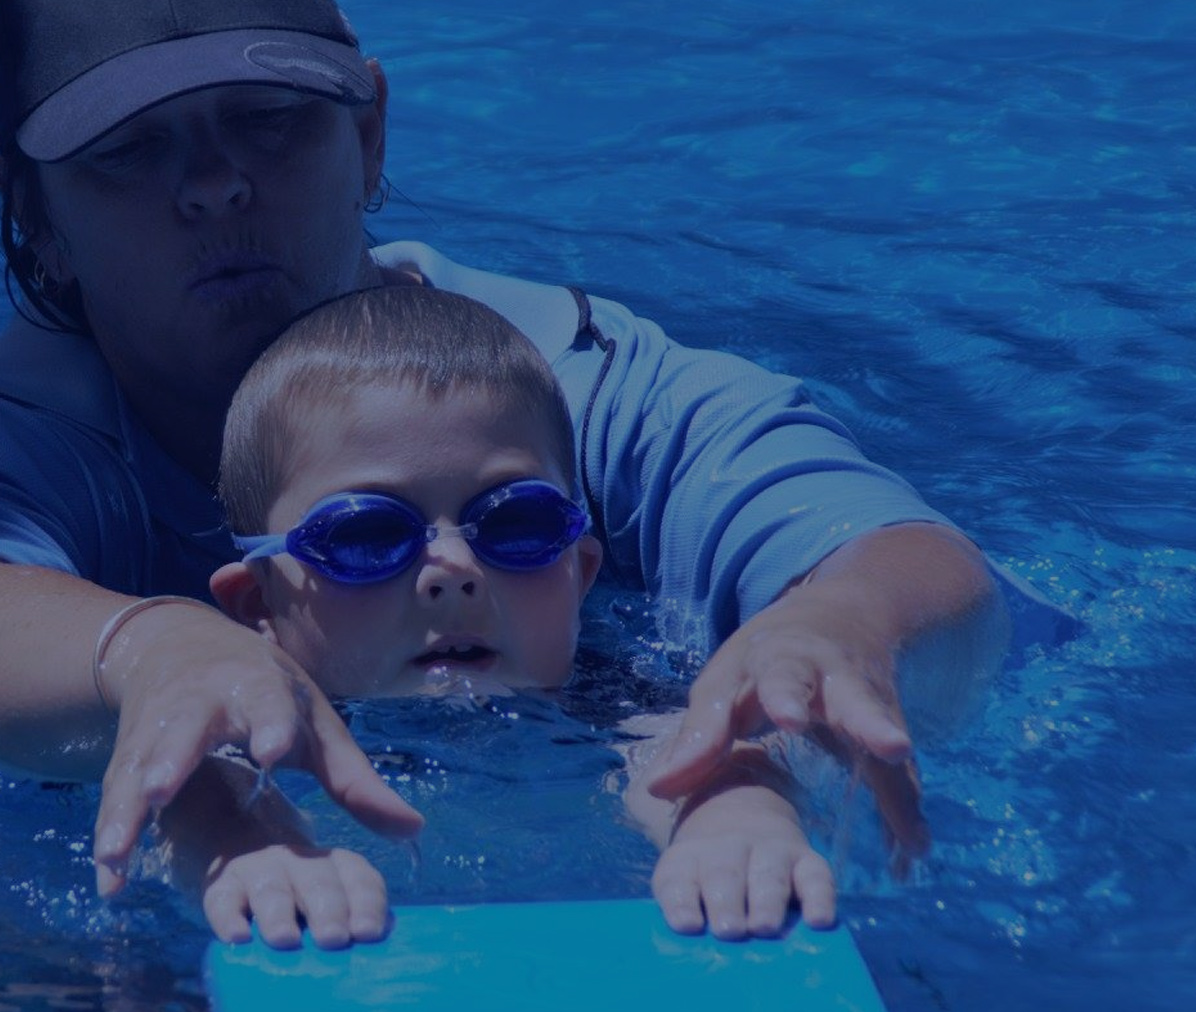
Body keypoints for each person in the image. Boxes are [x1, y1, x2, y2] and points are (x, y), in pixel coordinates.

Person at [0, 0, 1075, 901]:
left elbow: (909, 558)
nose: (218, 184)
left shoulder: (554, 383)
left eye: (271, 122)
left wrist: (837, 626)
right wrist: (155, 652)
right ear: (33, 214)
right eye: (134, 151)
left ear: (369, 133)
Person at [154, 285, 833, 947]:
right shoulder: (253, 740)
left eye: (518, 523)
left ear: (580, 573)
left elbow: (695, 760)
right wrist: (238, 843)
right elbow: (189, 785)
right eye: (366, 536)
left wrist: (737, 817)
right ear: (258, 605)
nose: (454, 570)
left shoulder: (612, 715)